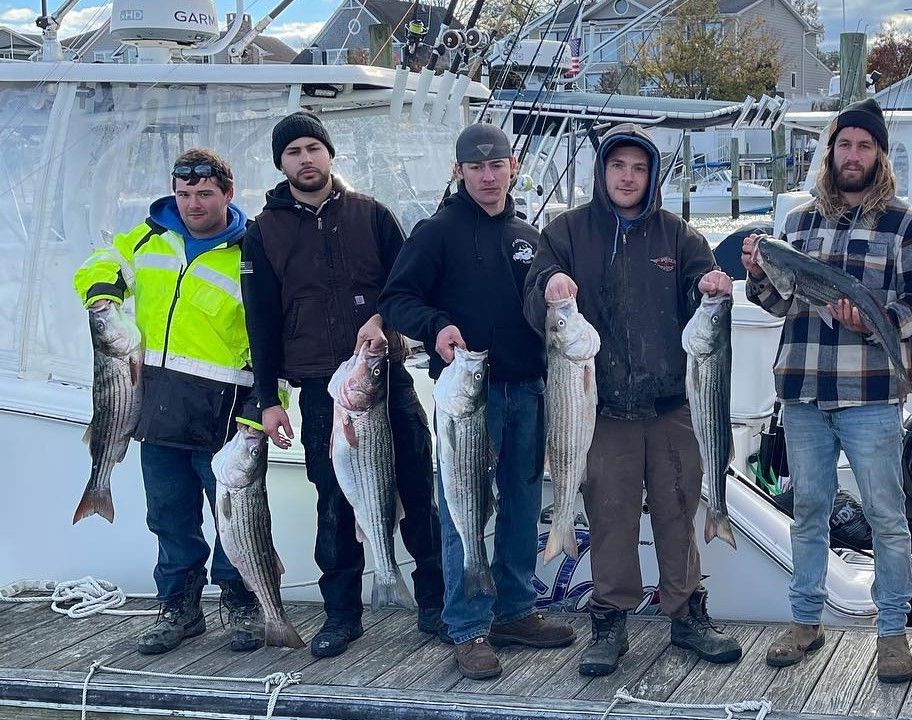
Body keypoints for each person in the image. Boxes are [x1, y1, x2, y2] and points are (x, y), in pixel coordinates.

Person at [523, 123, 742, 677]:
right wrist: (548, 286)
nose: (627, 176)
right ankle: (609, 622)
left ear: (651, 176)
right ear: (602, 174)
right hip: (601, 409)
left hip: (672, 405)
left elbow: (701, 282)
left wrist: (712, 286)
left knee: (676, 511)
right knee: (610, 517)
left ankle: (687, 615)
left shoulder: (678, 235)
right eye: (617, 166)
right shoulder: (567, 232)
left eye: (638, 168)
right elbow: (533, 293)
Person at [742, 97, 912, 684]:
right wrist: (760, 274)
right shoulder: (798, 222)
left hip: (873, 394)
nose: (852, 155)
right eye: (844, 144)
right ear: (829, 151)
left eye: (864, 145)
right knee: (808, 512)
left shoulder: (907, 223)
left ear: (879, 155)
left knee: (886, 515)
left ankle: (893, 633)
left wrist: (873, 320)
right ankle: (805, 619)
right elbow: (780, 302)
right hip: (803, 390)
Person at [240, 111, 444, 658]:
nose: (305, 159)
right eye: (293, 153)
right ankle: (342, 614)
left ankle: (435, 603)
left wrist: (385, 321)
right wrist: (267, 400)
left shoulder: (372, 215)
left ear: (330, 155)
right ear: (281, 165)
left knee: (417, 490)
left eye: (313, 148)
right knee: (334, 500)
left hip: (385, 377)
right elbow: (258, 320)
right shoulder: (264, 231)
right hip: (320, 389)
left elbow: (406, 289)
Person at [379, 123, 576, 680]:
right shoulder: (435, 232)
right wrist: (436, 326)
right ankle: (466, 625)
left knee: (519, 502)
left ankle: (515, 610)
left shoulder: (527, 234)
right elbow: (396, 299)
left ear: (513, 167)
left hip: (528, 390)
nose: (488, 177)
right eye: (477, 167)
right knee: (462, 506)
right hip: (469, 398)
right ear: (459, 172)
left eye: (498, 165)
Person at [73, 148, 263, 655]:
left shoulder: (251, 252)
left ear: (228, 192)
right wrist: (101, 293)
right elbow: (103, 259)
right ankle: (179, 609)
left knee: (232, 518)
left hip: (221, 413)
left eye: (204, 194)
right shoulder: (148, 237)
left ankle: (241, 603)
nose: (193, 204)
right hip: (152, 411)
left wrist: (265, 404)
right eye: (184, 195)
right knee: (169, 517)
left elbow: (272, 339)